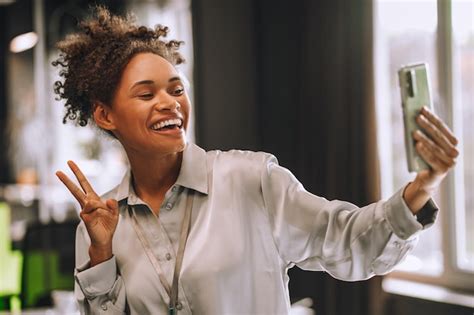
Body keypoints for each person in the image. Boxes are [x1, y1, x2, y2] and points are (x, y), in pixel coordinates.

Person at [53, 6, 459, 315]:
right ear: (105, 115)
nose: (169, 103)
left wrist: (420, 188)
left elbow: (352, 242)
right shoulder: (99, 223)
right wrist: (102, 254)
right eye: (146, 95)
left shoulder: (249, 179)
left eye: (177, 89)